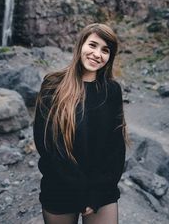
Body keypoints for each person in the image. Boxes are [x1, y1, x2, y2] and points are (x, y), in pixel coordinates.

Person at [33, 23, 127, 224]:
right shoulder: (52, 85)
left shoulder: (112, 91)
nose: (97, 54)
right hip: (60, 188)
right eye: (92, 45)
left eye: (105, 50)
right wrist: (81, 190)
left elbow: (116, 148)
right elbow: (47, 145)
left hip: (101, 192)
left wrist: (97, 192)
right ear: (80, 45)